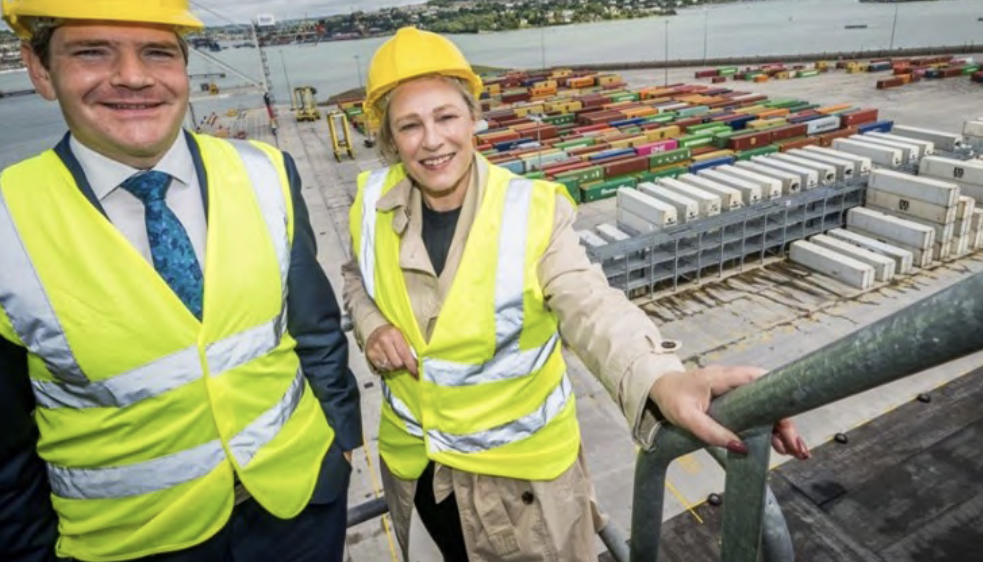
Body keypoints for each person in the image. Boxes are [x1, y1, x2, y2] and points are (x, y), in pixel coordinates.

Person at [0, 0, 360, 562]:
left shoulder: (266, 173)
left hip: (301, 516)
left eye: (157, 51)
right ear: (38, 67)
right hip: (132, 548)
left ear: (183, 64)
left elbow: (315, 333)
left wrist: (340, 443)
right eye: (92, 50)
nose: (133, 77)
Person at [342, 27, 810, 561]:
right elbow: (356, 276)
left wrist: (660, 376)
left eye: (446, 117)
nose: (431, 140)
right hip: (416, 475)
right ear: (389, 139)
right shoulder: (371, 201)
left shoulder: (532, 212)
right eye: (410, 125)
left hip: (520, 490)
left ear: (473, 118)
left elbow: (593, 307)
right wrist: (372, 324)